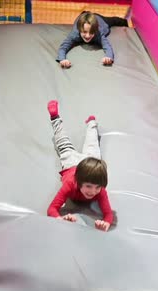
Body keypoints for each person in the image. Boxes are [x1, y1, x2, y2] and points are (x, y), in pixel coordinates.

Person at [46, 100, 114, 231]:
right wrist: (60, 219)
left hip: (90, 161)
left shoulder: (99, 188)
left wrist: (106, 223)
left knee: (93, 143)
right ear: (79, 182)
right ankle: (55, 117)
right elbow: (52, 209)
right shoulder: (70, 184)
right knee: (62, 142)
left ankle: (92, 122)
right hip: (71, 164)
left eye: (97, 187)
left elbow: (109, 214)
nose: (93, 191)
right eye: (88, 186)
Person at [56, 11, 129, 68]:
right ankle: (84, 13)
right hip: (82, 17)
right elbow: (63, 47)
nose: (87, 36)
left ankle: (125, 22)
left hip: (99, 18)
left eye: (91, 32)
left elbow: (107, 46)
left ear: (95, 30)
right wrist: (62, 59)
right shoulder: (75, 34)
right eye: (84, 32)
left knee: (114, 21)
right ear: (79, 29)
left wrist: (108, 57)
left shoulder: (99, 33)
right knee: (83, 16)